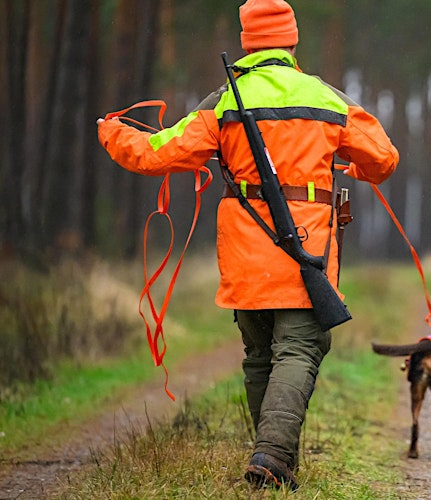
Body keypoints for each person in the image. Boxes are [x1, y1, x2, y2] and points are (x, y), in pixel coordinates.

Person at [97, 0, 398, 490]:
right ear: (292, 41)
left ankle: (275, 466)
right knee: (300, 348)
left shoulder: (223, 102)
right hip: (309, 253)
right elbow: (384, 158)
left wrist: (111, 133)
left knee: (261, 356)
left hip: (245, 252)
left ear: (247, 42)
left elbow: (158, 153)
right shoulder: (325, 98)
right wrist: (354, 167)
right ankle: (273, 456)